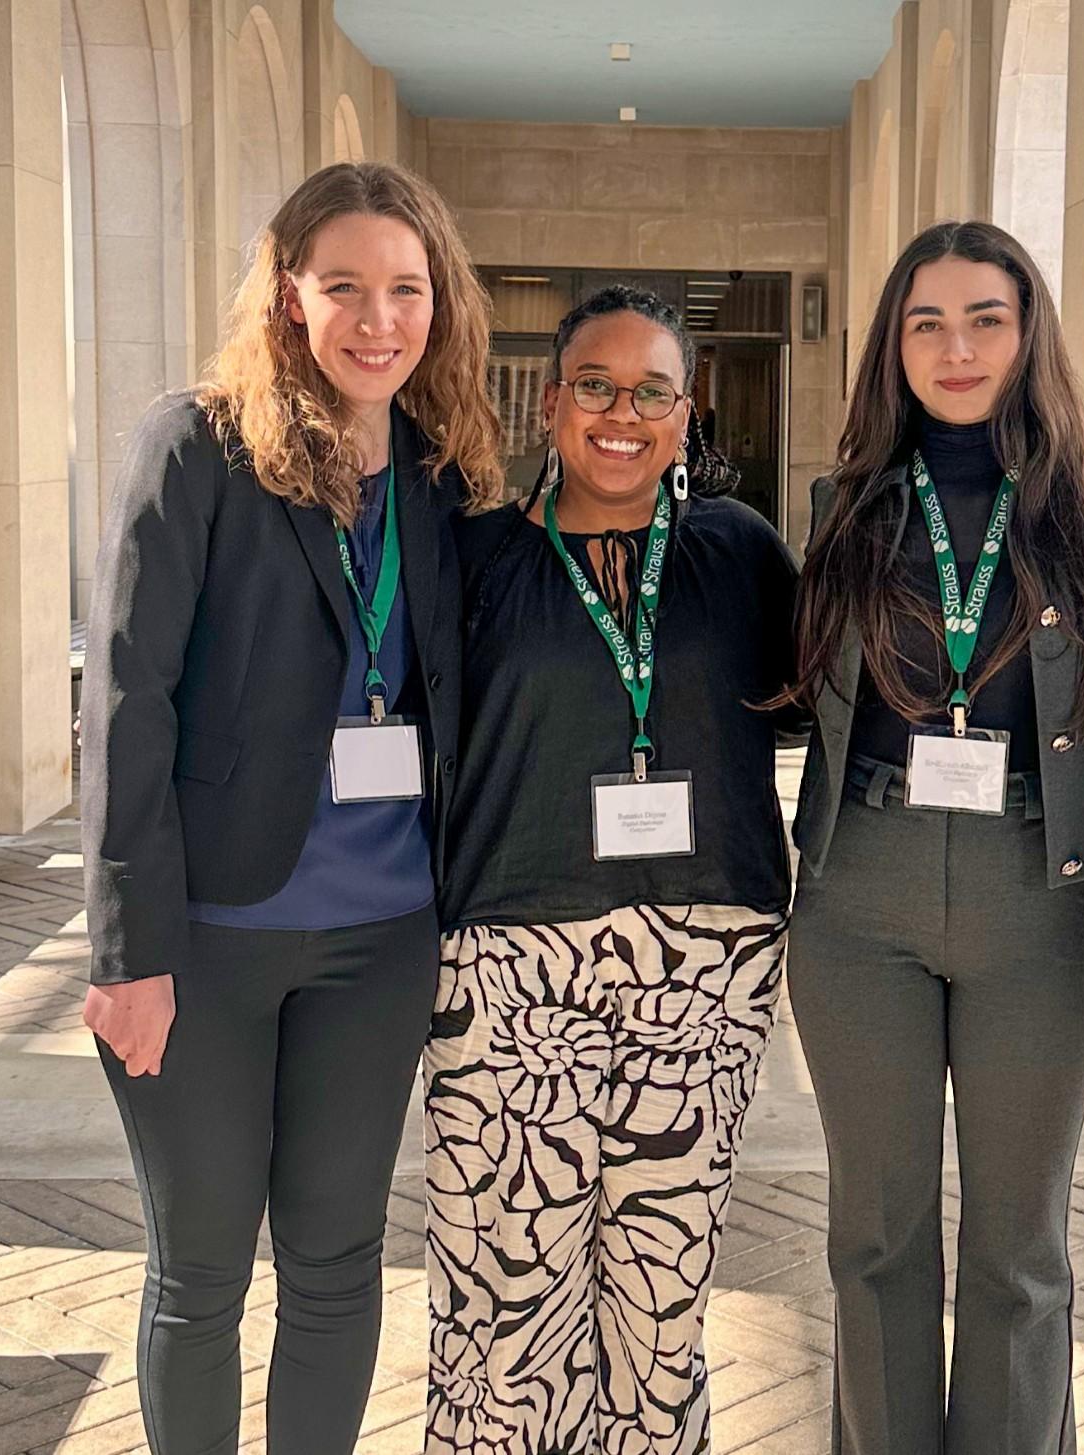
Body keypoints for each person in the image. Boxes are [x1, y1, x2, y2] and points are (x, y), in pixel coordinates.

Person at [78, 161, 501, 1455]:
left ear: (440, 303)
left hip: (382, 941)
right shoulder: (198, 445)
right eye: (345, 287)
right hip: (205, 939)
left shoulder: (440, 476)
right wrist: (126, 951)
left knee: (336, 1263)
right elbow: (128, 702)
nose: (378, 318)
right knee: (200, 1273)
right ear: (288, 295)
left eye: (405, 289)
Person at [779, 219, 1084, 1454]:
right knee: (874, 1239)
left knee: (1019, 1246)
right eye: (925, 320)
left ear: (1028, 331)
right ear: (892, 341)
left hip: (1031, 892)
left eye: (984, 317)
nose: (954, 346)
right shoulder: (845, 507)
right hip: (861, 897)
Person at [425, 286, 799, 1455]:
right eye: (597, 385)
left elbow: (818, 707)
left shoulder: (740, 553)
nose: (621, 414)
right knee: (505, 1300)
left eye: (653, 392)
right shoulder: (476, 556)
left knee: (659, 1298)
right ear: (551, 402)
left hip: (707, 963)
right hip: (506, 965)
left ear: (686, 418)